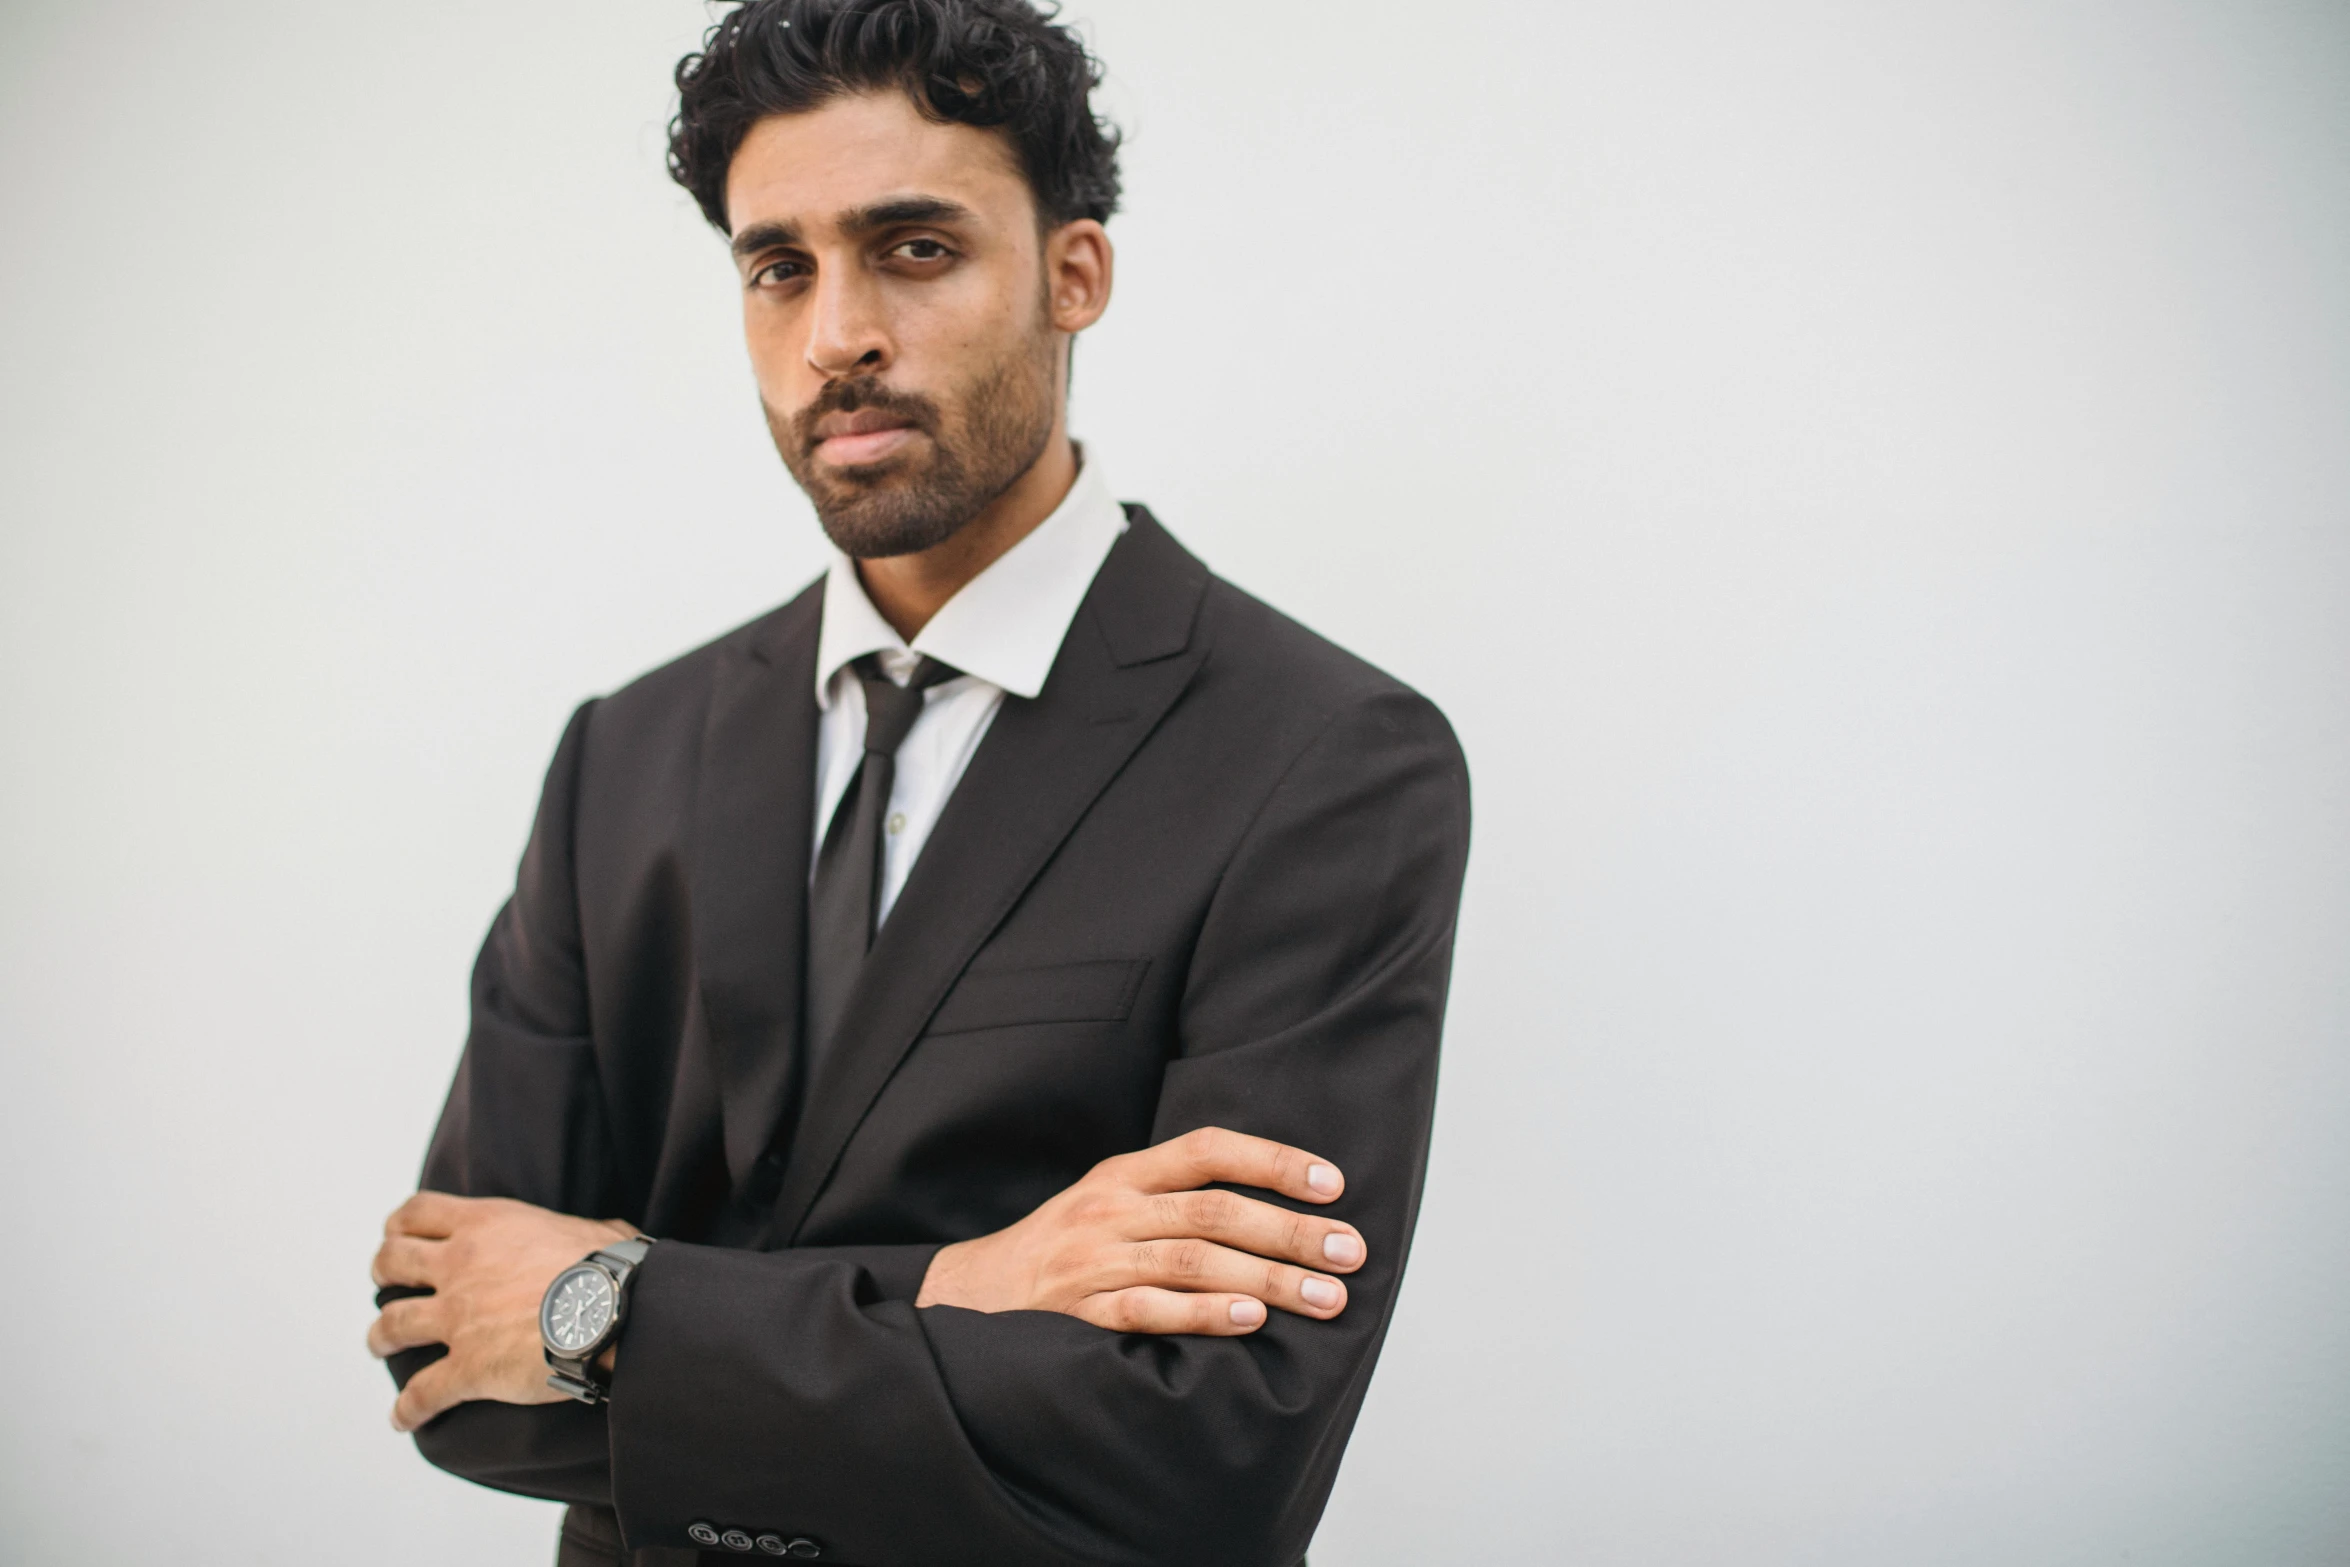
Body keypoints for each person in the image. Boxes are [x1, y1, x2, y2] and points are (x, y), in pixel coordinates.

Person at [364, 2, 1471, 1562]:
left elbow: (1206, 1441)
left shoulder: (1325, 760)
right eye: (778, 267)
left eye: (914, 248)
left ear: (1071, 273)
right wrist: (968, 1285)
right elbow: (445, 1351)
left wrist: (608, 1309)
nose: (835, 335)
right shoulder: (623, 752)